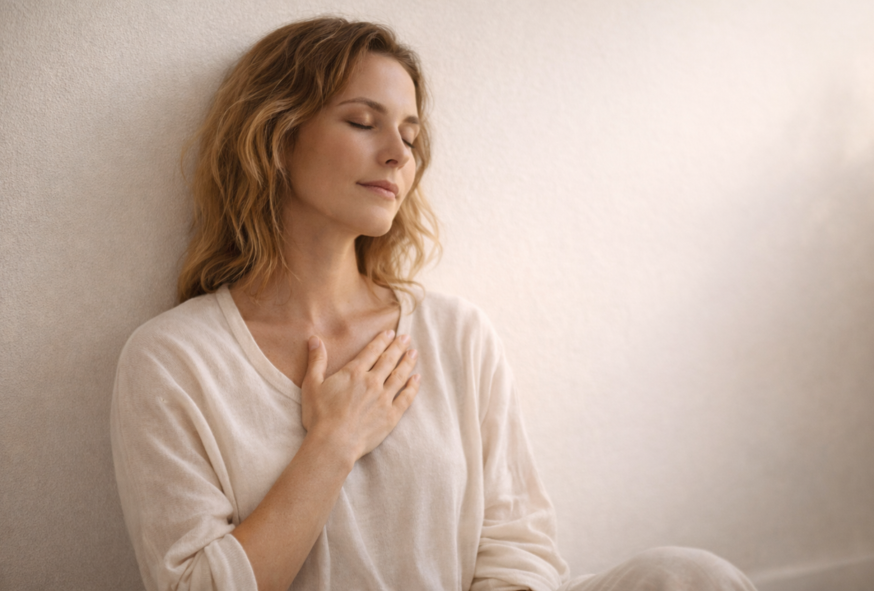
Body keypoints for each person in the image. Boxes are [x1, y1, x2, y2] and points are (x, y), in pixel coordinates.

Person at [110, 16, 758, 591]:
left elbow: (518, 546)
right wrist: (334, 442)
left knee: (693, 575)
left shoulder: (456, 333)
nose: (398, 153)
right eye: (363, 123)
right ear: (278, 138)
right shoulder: (174, 360)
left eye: (411, 135)